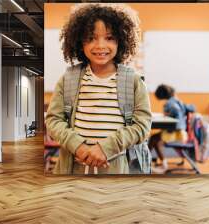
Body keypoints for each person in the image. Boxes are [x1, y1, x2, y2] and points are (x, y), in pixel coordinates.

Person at [45, 3, 151, 174]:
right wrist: (77, 145)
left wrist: (106, 148)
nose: (100, 45)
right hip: (74, 165)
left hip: (116, 167)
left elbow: (142, 126)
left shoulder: (133, 81)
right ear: (79, 41)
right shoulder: (68, 79)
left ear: (121, 40)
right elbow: (53, 120)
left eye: (109, 38)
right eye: (91, 38)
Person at [148, 84, 189, 173]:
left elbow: (177, 114)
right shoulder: (176, 100)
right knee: (154, 140)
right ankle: (156, 162)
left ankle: (148, 162)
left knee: (154, 139)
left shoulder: (171, 103)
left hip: (175, 132)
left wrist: (169, 121)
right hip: (179, 131)